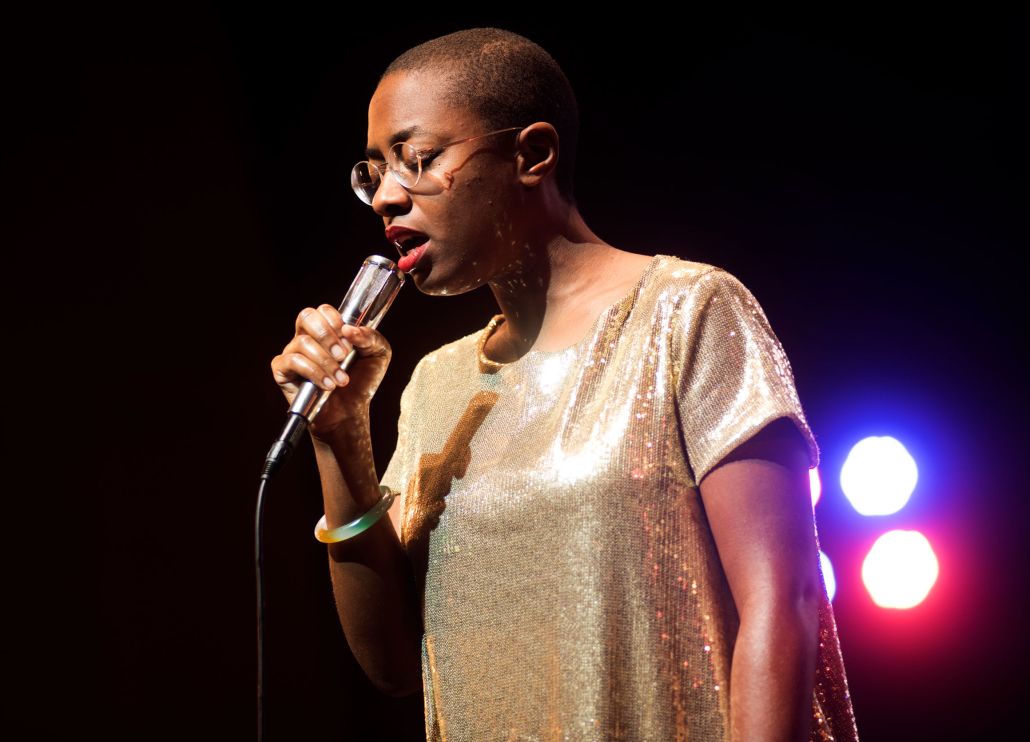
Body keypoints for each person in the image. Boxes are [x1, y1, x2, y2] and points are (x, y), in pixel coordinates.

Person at [271, 27, 858, 741]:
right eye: (374, 173)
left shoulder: (686, 312)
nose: (387, 197)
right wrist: (339, 436)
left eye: (418, 159)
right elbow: (392, 664)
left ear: (532, 154)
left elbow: (783, 599)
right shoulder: (435, 385)